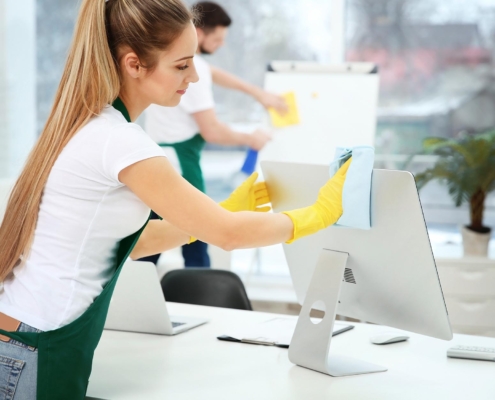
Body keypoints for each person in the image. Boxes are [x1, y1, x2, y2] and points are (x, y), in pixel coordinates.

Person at [0, 0, 350, 398]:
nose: (195, 76)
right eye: (182, 65)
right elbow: (229, 235)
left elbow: (139, 242)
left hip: (22, 335)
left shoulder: (91, 124)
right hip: (37, 342)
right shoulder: (120, 141)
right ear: (134, 64)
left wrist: (223, 211)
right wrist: (319, 214)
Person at [144, 1, 288, 268]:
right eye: (218, 39)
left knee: (155, 238)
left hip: (162, 158)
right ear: (198, 34)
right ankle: (200, 301)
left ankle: (130, 292)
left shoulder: (178, 63)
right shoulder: (191, 71)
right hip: (180, 165)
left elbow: (218, 75)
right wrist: (250, 138)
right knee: (195, 236)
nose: (221, 45)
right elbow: (211, 131)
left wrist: (259, 94)